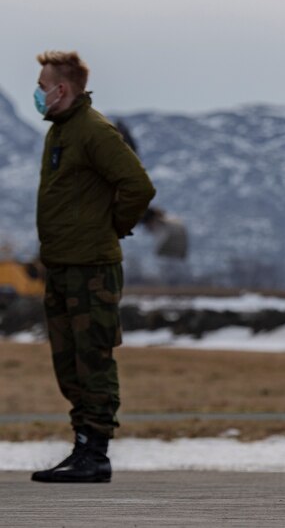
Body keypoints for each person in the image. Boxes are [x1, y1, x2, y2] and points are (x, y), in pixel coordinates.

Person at [30, 51, 156, 483]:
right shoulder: (62, 131)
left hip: (91, 268)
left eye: (42, 85)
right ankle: (82, 447)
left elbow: (138, 186)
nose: (39, 91)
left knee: (93, 359)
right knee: (69, 361)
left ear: (61, 89)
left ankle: (96, 453)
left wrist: (114, 226)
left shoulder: (95, 131)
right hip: (63, 264)